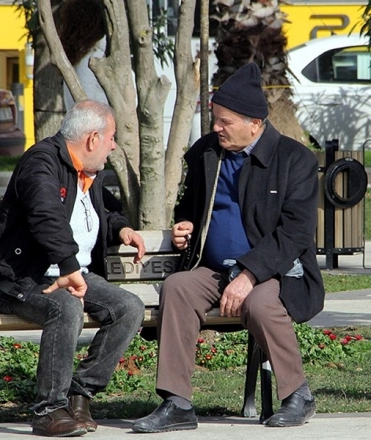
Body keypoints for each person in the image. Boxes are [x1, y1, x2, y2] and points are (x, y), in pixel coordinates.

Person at [131, 63, 325, 433]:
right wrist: (185, 223)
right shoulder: (207, 153)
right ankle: (177, 403)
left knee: (260, 302)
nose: (216, 127)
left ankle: (299, 395)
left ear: (254, 123)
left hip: (274, 272)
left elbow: (295, 232)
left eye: (225, 121)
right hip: (215, 269)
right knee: (178, 288)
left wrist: (250, 274)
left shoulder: (294, 160)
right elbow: (190, 203)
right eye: (215, 119)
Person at [0, 100, 147, 437]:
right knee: (66, 308)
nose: (114, 146)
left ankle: (78, 395)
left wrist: (120, 228)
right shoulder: (40, 163)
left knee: (129, 308)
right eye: (111, 138)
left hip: (73, 274)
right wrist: (69, 267)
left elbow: (100, 210)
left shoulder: (87, 171)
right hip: (20, 277)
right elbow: (46, 216)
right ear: (92, 139)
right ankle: (47, 410)